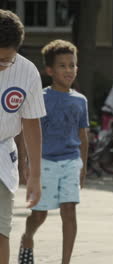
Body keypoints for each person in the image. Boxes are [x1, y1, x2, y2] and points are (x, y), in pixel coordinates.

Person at [18, 39, 89, 264]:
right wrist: (25, 162)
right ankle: (27, 237)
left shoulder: (80, 100)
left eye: (72, 65)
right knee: (40, 214)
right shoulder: (40, 97)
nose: (69, 70)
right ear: (49, 70)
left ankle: (65, 261)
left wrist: (84, 166)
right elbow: (25, 131)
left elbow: (83, 136)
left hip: (70, 162)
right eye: (62, 65)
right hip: (44, 162)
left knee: (69, 211)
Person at [0, 9, 46, 264]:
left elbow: (31, 123)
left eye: (6, 60)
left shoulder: (27, 73)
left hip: (2, 156)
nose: (1, 65)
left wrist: (35, 175)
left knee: (0, 230)